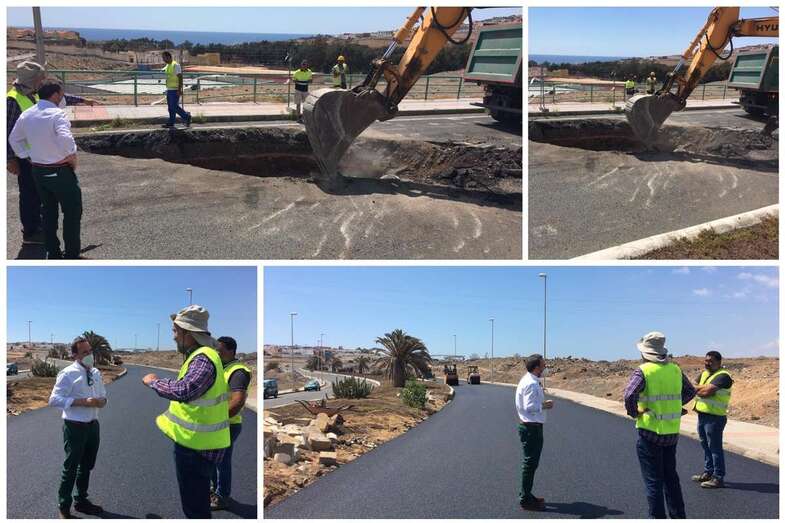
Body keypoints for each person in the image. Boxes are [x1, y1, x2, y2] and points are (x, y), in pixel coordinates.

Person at [143, 305, 230, 519]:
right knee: (197, 505)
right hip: (199, 444)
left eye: (175, 331)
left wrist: (155, 382)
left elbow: (185, 390)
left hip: (196, 448)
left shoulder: (203, 358)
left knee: (195, 509)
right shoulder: (203, 356)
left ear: (188, 333)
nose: (173, 337)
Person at [624, 332, 696, 519]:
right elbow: (689, 391)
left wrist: (635, 412)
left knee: (653, 482)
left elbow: (629, 395)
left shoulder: (644, 370)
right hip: (671, 433)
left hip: (650, 433)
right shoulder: (675, 369)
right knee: (671, 479)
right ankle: (679, 517)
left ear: (644, 353)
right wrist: (675, 406)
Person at [9, 77, 82, 260]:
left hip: (38, 170)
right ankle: (72, 254)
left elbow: (13, 139)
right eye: (61, 94)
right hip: (60, 170)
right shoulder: (57, 114)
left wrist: (27, 155)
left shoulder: (27, 114)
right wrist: (71, 157)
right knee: (72, 212)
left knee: (48, 213)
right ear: (55, 95)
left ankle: (53, 252)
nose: (62, 97)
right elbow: (66, 139)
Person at [48, 336, 107, 519]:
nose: (90, 355)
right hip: (74, 427)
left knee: (87, 465)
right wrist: (82, 402)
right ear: (75, 355)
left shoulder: (96, 373)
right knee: (71, 466)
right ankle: (64, 505)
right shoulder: (68, 374)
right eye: (84, 352)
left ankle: (81, 501)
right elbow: (54, 400)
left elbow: (103, 395)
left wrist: (102, 401)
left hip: (92, 426)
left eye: (90, 351)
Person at [210, 336, 252, 511]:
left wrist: (220, 420)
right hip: (215, 424)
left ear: (230, 350)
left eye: (219, 349)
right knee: (211, 460)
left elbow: (238, 400)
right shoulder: (222, 367)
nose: (216, 352)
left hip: (228, 424)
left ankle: (222, 496)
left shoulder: (238, 371)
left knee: (222, 462)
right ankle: (215, 490)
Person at [515, 354, 553, 511]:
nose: (545, 368)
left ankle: (527, 495)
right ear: (537, 367)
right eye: (543, 365)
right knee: (530, 464)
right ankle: (525, 499)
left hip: (532, 426)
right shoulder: (531, 383)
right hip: (531, 428)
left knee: (531, 464)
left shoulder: (531, 381)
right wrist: (545, 405)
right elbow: (529, 406)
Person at [691, 350, 732, 489]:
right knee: (705, 445)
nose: (707, 363)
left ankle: (718, 477)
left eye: (711, 361)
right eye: (706, 360)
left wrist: (700, 389)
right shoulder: (704, 374)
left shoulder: (723, 376)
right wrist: (699, 388)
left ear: (719, 362)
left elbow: (706, 393)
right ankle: (708, 472)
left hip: (715, 418)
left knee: (715, 448)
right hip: (702, 415)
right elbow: (692, 386)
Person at [161, 51, 191, 128]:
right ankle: (171, 122)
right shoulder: (168, 66)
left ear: (169, 57)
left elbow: (180, 77)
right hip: (169, 89)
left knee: (174, 106)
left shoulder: (176, 65)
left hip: (175, 89)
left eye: (164, 58)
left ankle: (186, 116)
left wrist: (179, 89)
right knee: (170, 108)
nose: (163, 59)